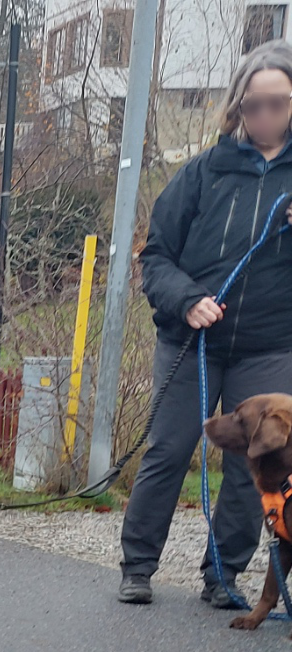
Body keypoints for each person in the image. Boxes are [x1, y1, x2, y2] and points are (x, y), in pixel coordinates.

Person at [117, 40, 292, 606]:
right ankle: (138, 566)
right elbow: (156, 258)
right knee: (168, 450)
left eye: (277, 104)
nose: (263, 116)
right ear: (236, 107)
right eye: (251, 105)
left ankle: (222, 573)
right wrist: (187, 298)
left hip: (269, 343)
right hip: (192, 339)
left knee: (254, 460)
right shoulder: (201, 174)